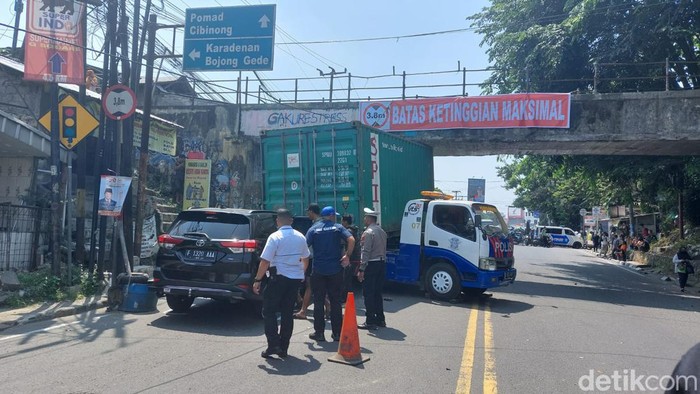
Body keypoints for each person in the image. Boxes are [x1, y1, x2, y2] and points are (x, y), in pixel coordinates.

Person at [252, 209, 310, 358]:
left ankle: (273, 345)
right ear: (290, 221)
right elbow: (306, 257)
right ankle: (283, 348)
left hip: (278, 278)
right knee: (287, 313)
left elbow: (265, 261)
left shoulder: (275, 237)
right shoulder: (300, 237)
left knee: (269, 311)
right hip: (294, 280)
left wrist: (257, 280)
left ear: (278, 221)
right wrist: (301, 272)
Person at [305, 206, 354, 342]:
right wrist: (347, 256)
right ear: (331, 216)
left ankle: (319, 333)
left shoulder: (313, 229)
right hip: (335, 270)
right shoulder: (338, 228)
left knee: (319, 302)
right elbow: (351, 240)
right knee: (335, 301)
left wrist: (303, 263)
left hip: (318, 270)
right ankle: (337, 333)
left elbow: (304, 246)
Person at [357, 207, 388, 330]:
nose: (364, 219)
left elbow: (366, 251)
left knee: (368, 293)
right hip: (381, 263)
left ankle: (370, 320)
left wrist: (361, 269)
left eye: (365, 217)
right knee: (377, 293)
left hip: (371, 264)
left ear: (369, 219)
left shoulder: (368, 233)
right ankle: (380, 319)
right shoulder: (382, 231)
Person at [294, 203, 321, 320]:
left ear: (311, 212)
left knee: (311, 285)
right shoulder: (321, 224)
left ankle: (303, 311)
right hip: (321, 260)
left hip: (312, 259)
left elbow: (306, 246)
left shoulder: (314, 227)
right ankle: (328, 307)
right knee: (314, 286)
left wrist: (300, 258)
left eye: (308, 212)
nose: (307, 214)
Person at [341, 214, 361, 302]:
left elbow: (347, 244)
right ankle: (347, 298)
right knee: (347, 279)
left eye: (342, 221)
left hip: (351, 258)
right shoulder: (354, 230)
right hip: (355, 257)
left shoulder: (348, 231)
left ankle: (347, 299)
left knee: (346, 279)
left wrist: (347, 256)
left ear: (345, 222)